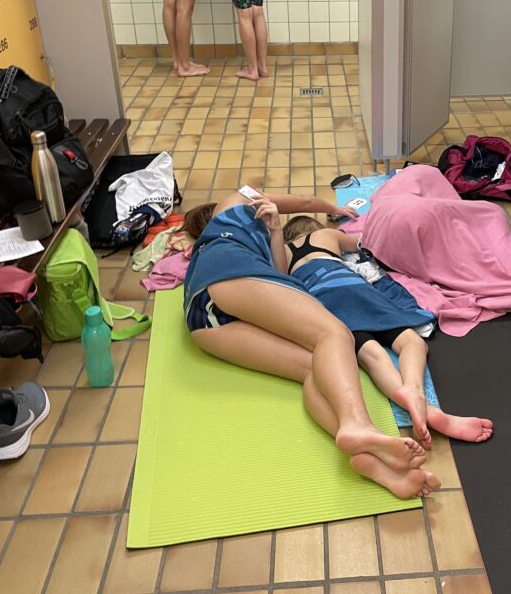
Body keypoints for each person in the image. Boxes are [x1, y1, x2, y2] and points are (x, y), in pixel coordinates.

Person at [182, 191, 441, 499]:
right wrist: (334, 208)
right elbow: (305, 203)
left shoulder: (220, 246)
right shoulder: (236, 201)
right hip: (227, 273)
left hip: (201, 318)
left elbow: (277, 276)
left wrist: (276, 229)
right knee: (335, 334)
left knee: (314, 366)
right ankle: (358, 423)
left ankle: (377, 464)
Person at [282, 216, 495, 451]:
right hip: (356, 289)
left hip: (325, 302)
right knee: (412, 342)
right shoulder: (326, 235)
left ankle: (428, 410)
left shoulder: (283, 253)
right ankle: (413, 388)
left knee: (372, 356)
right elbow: (359, 244)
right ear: (314, 228)